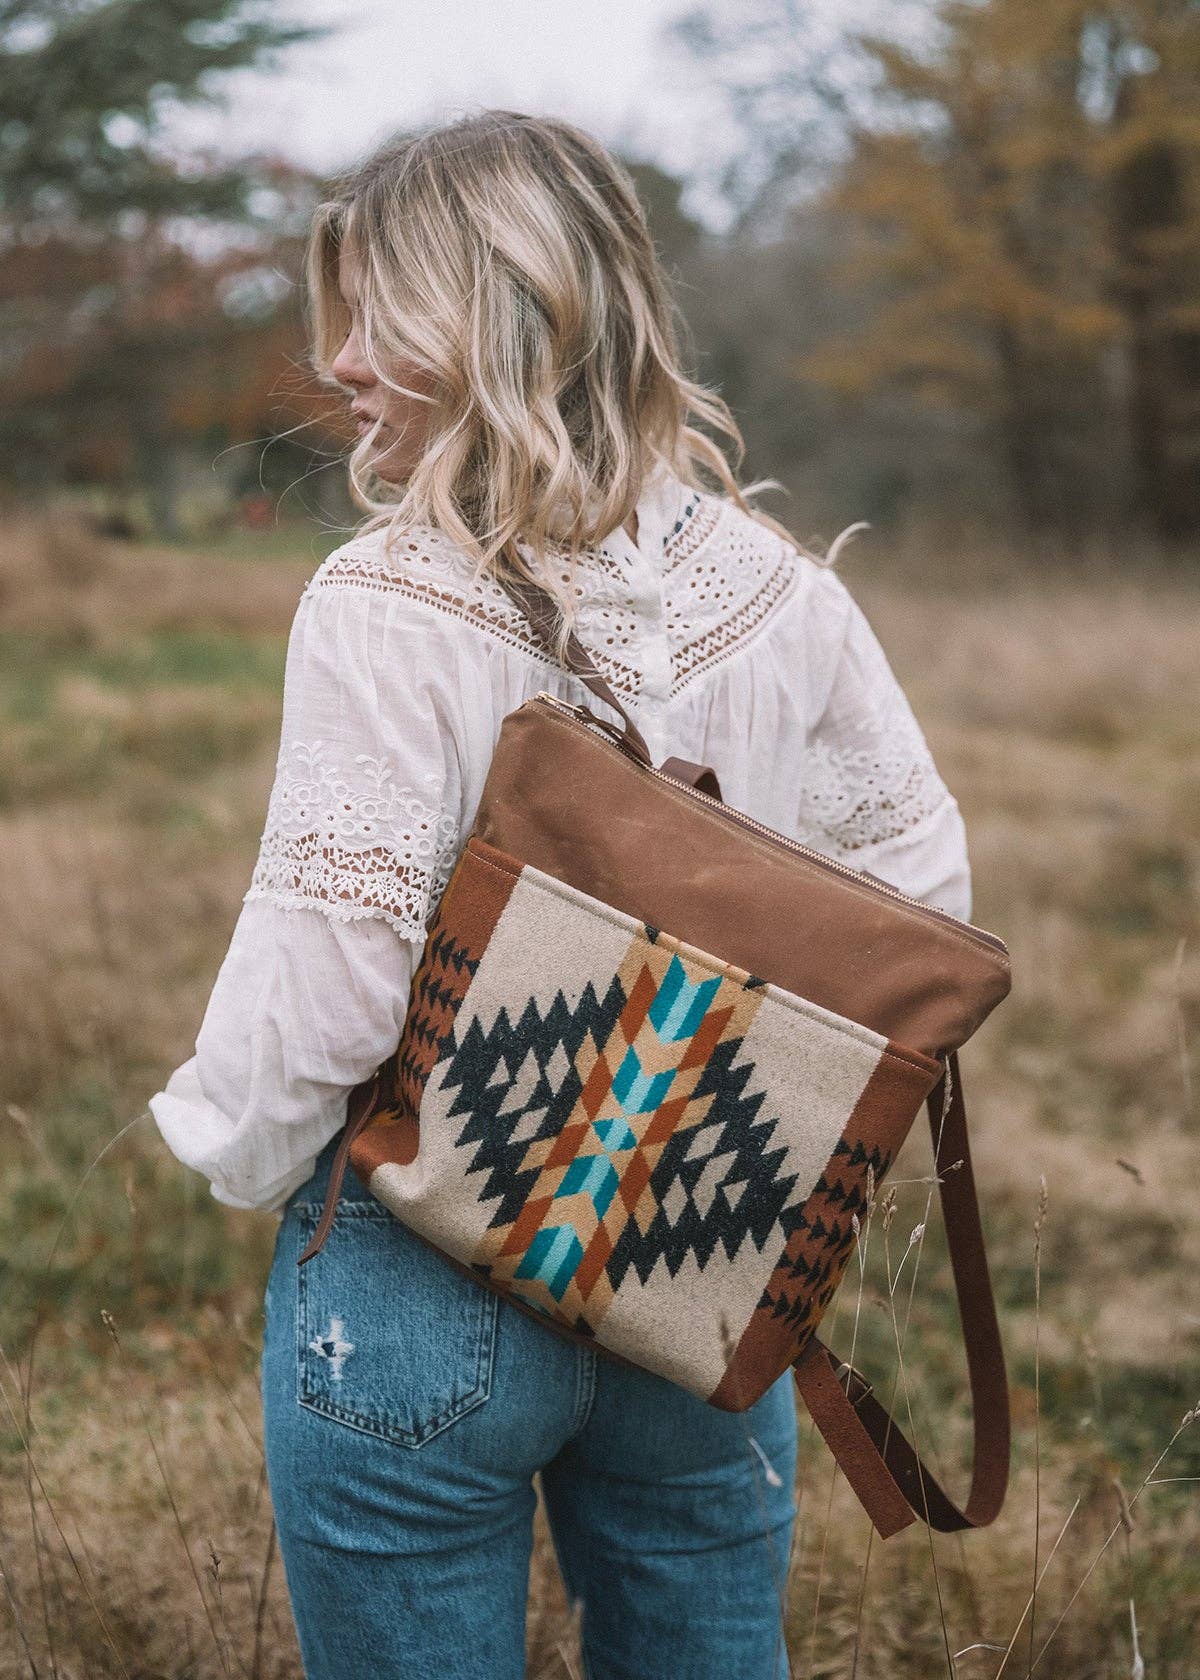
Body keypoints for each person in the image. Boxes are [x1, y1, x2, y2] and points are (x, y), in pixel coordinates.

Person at [149, 109, 973, 1680]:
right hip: (699, 1264)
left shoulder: (385, 604)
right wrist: (720, 1111)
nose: (335, 361)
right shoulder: (788, 598)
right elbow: (919, 895)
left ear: (499, 314)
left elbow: (335, 985)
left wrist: (228, 1150)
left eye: (378, 312)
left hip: (415, 1271)